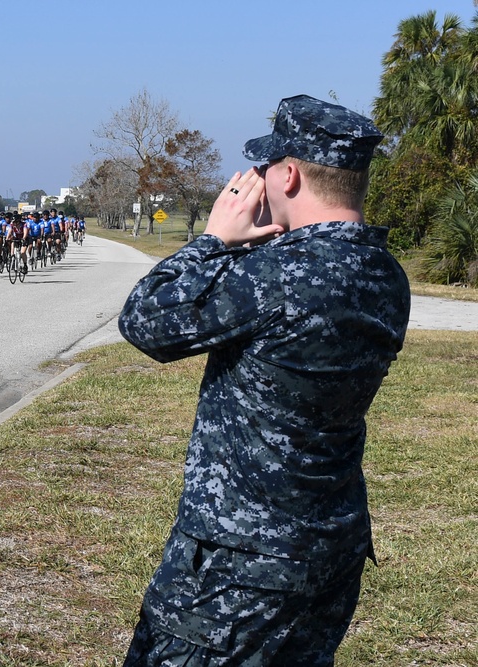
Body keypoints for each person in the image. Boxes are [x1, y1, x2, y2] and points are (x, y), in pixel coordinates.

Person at [118, 95, 410, 665]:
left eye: (266, 168)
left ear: (291, 174)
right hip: (330, 546)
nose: (256, 179)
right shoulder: (385, 274)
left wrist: (213, 240)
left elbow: (144, 320)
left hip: (241, 563)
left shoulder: (272, 275)